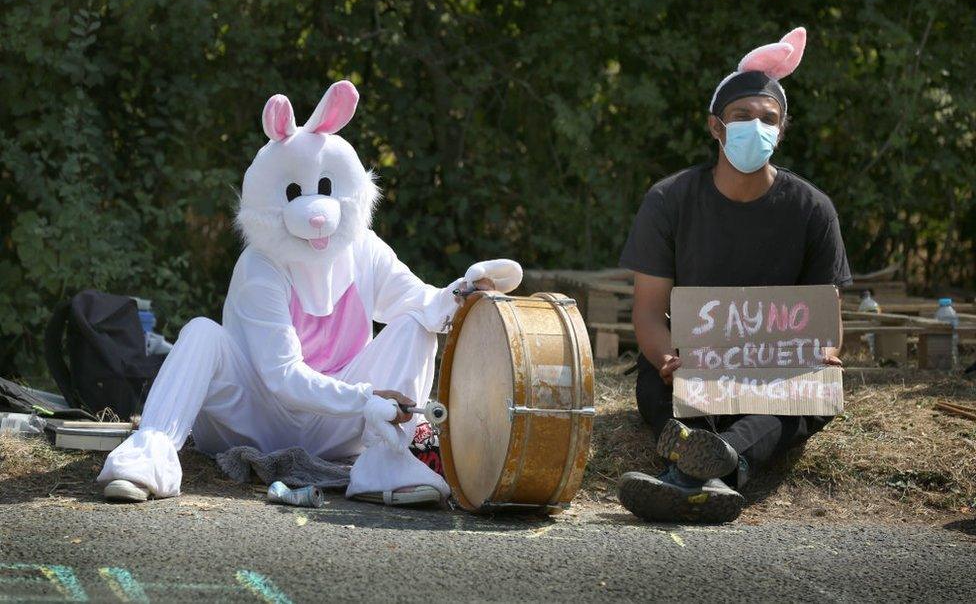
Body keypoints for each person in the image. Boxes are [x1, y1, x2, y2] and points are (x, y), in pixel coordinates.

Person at [96, 80, 523, 506]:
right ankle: (148, 457)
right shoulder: (260, 266)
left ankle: (384, 462)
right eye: (296, 194)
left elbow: (422, 304)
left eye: (325, 189)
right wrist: (364, 398)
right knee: (201, 333)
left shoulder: (365, 249)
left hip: (339, 425)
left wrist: (462, 293)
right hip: (254, 418)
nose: (316, 212)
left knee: (416, 327)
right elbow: (282, 377)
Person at [616, 27, 852, 523]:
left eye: (768, 119)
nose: (755, 127)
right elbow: (647, 309)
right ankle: (724, 470)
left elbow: (824, 320)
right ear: (716, 127)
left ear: (782, 130)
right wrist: (664, 358)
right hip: (689, 369)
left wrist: (828, 351)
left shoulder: (813, 210)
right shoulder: (670, 200)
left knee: (818, 390)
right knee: (654, 387)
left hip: (773, 377)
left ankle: (699, 469)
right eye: (741, 116)